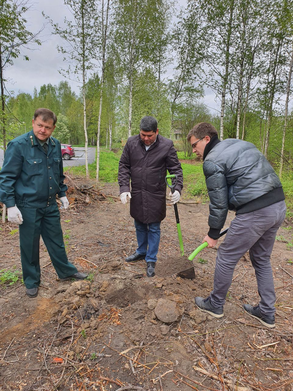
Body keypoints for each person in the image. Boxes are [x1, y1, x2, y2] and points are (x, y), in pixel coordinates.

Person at [187, 122, 286, 328]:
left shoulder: (212, 161)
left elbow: (219, 203)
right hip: (278, 205)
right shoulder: (238, 143)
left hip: (257, 210)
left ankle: (215, 304)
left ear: (207, 138)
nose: (194, 151)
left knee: (226, 255)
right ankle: (267, 312)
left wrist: (213, 234)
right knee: (261, 258)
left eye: (194, 145)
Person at [0, 108, 88, 298]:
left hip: (49, 204)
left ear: (53, 128)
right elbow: (6, 177)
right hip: (27, 205)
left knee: (56, 241)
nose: (42, 130)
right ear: (33, 123)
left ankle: (65, 271)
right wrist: (10, 205)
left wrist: (62, 194)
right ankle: (32, 281)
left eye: (47, 127)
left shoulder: (55, 145)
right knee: (29, 245)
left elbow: (58, 173)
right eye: (40, 125)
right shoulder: (18, 145)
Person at [118, 116, 183, 277]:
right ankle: (141, 251)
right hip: (138, 193)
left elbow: (175, 169)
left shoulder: (166, 146)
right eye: (143, 135)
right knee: (139, 223)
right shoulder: (132, 143)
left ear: (157, 132)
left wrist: (177, 188)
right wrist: (124, 187)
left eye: (150, 136)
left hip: (156, 194)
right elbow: (124, 165)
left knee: (154, 227)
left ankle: (151, 258)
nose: (146, 139)